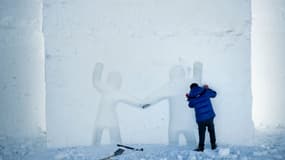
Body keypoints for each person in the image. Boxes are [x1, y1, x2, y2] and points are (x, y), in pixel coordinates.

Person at [186, 83, 217, 152]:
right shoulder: (205, 90)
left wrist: (189, 98)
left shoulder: (191, 95)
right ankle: (213, 145)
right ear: (197, 86)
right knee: (211, 131)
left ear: (191, 88)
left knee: (201, 133)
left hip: (200, 118)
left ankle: (201, 147)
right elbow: (214, 94)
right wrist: (207, 88)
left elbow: (190, 105)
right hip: (209, 116)